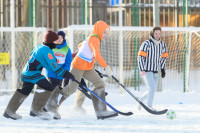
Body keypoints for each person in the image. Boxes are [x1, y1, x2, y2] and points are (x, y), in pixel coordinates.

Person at [46, 20, 118, 120]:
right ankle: (51, 105)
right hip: (78, 66)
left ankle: (101, 111)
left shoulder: (93, 39)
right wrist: (105, 67)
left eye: (107, 33)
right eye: (104, 32)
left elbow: (82, 47)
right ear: (99, 30)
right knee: (72, 88)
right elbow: (97, 54)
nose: (106, 34)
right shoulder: (94, 39)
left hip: (87, 68)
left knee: (100, 83)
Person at [3, 30, 74, 120]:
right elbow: (55, 67)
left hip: (26, 72)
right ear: (51, 41)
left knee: (25, 90)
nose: (56, 44)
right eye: (55, 41)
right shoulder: (47, 51)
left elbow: (47, 64)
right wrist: (67, 74)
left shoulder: (40, 46)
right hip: (33, 74)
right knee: (48, 87)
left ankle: (9, 111)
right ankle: (36, 110)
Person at [137, 26, 168, 110]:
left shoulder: (162, 44)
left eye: (159, 34)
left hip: (156, 70)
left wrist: (162, 69)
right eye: (156, 34)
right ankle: (149, 106)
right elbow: (140, 57)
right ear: (152, 34)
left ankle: (140, 100)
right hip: (147, 70)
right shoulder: (146, 44)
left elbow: (164, 58)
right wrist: (142, 69)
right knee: (152, 87)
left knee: (152, 89)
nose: (157, 35)